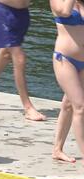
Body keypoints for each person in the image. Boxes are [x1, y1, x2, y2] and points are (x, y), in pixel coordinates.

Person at [0, 0, 47, 121]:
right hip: (4, 12)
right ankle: (28, 108)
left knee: (5, 54)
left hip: (22, 14)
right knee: (19, 57)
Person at [50, 0, 84, 163]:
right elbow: (64, 11)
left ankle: (57, 149)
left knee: (69, 104)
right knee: (80, 106)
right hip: (65, 59)